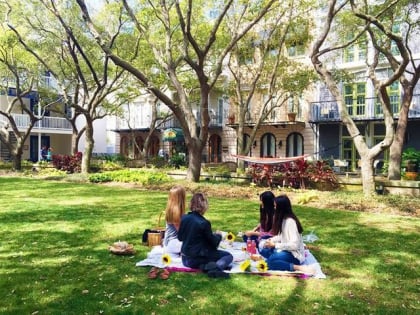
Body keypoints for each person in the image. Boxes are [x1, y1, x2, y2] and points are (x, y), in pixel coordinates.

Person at [178, 192, 233, 278]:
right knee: (228, 256)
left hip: (184, 258)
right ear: (204, 206)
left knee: (211, 255)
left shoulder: (184, 218)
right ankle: (215, 269)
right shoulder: (204, 223)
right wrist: (218, 235)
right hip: (196, 258)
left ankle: (206, 266)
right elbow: (213, 243)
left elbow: (180, 237)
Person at [259, 195, 315, 275]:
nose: (274, 208)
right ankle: (276, 258)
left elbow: (294, 245)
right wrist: (271, 240)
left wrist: (275, 245)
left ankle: (298, 267)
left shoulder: (290, 222)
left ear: (281, 208)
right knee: (264, 251)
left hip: (294, 254)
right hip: (285, 250)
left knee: (269, 263)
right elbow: (282, 236)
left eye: (275, 206)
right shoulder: (283, 219)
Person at [163, 185, 186, 254]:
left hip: (169, 243)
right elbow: (181, 233)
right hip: (173, 243)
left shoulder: (171, 210)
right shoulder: (176, 213)